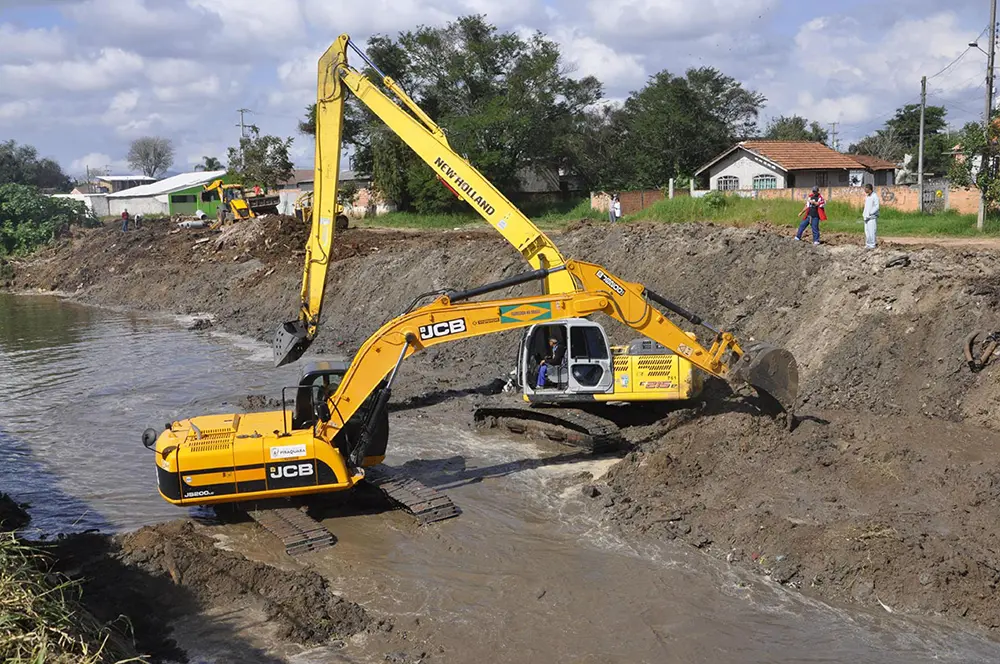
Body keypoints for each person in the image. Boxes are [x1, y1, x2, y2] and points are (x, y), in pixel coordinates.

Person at [862, 183, 879, 249]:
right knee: (867, 231)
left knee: (872, 231)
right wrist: (864, 214)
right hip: (866, 217)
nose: (865, 190)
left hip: (872, 217)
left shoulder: (875, 196)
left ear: (869, 189)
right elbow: (866, 206)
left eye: (866, 188)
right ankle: (868, 244)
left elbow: (876, 207)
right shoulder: (867, 196)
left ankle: (872, 244)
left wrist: (870, 213)